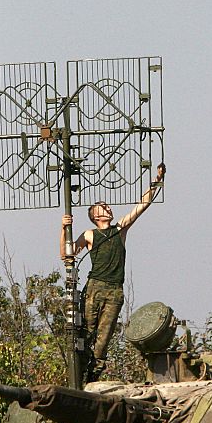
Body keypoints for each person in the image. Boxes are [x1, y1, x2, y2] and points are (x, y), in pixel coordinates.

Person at [60, 163, 166, 382]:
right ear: (95, 216)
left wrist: (156, 181)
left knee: (104, 337)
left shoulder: (120, 230)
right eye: (101, 207)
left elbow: (142, 205)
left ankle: (93, 376)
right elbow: (66, 255)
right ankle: (78, 373)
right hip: (95, 288)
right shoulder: (90, 234)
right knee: (86, 333)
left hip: (114, 290)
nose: (107, 207)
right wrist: (63, 229)